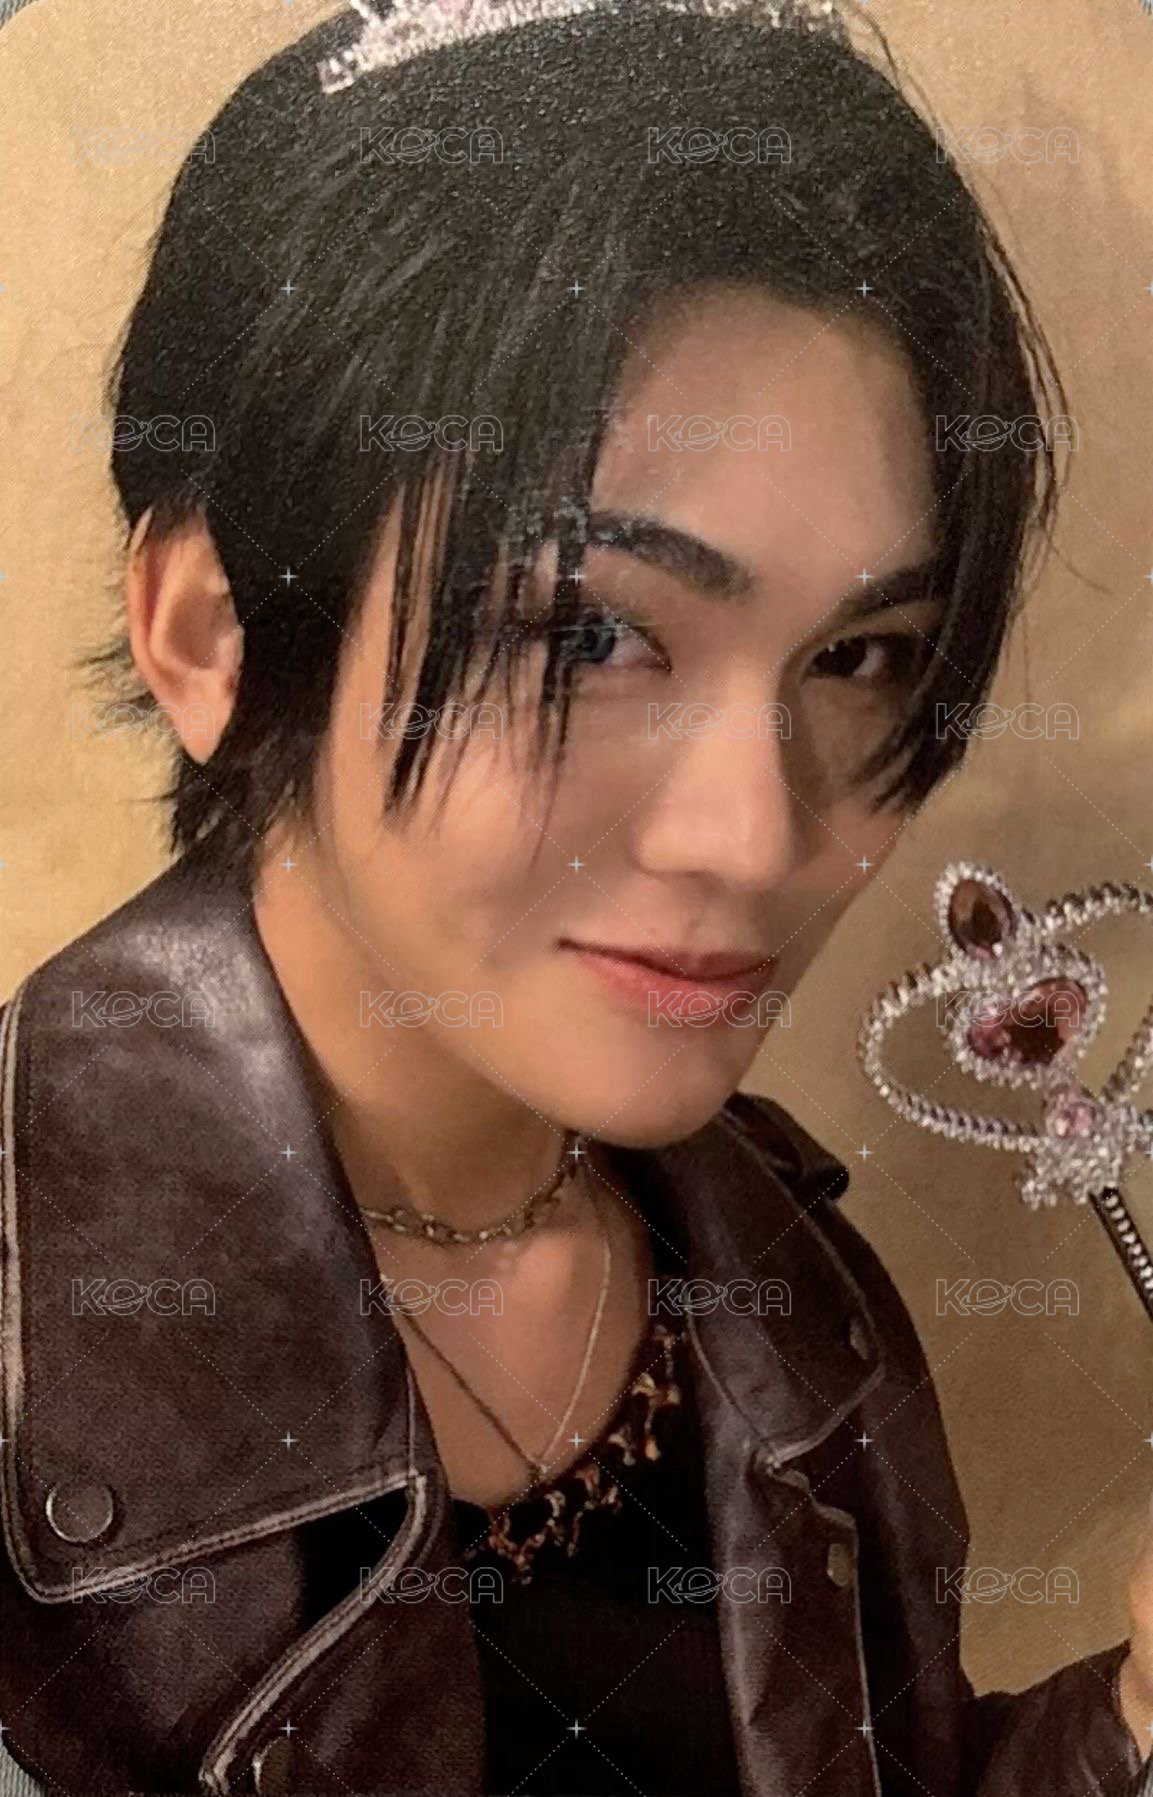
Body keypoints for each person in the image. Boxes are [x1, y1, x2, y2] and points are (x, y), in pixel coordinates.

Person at [1, 0, 1150, 1792]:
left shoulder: (788, 1276)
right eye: (592, 634)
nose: (757, 833)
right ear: (213, 632)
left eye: (856, 653)